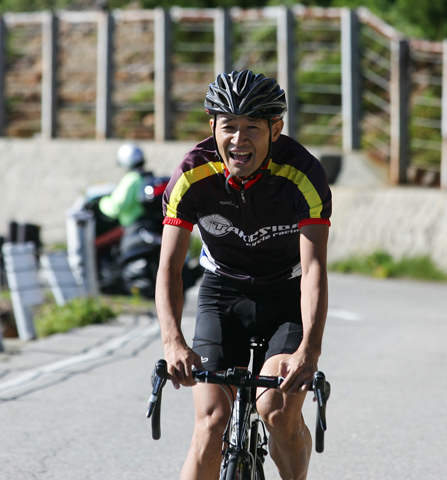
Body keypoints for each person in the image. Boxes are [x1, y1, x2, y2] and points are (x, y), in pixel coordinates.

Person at [155, 70, 332, 480]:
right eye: (228, 127)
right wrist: (173, 343)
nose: (238, 139)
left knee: (275, 410)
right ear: (211, 126)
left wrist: (310, 349)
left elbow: (313, 269)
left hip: (285, 294)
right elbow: (169, 268)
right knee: (212, 422)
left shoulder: (303, 174)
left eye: (251, 127)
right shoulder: (191, 176)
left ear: (276, 129)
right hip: (223, 293)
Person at [98, 142, 148, 228]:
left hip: (134, 226)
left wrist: (102, 202)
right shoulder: (147, 176)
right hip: (145, 223)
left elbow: (116, 207)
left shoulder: (131, 179)